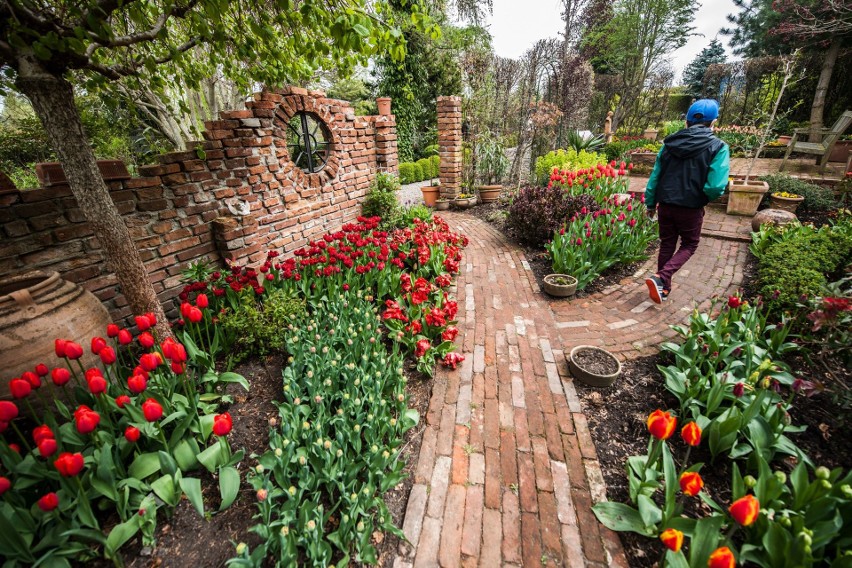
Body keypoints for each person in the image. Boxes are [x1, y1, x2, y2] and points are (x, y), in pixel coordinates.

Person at [643, 99, 730, 304]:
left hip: (666, 205)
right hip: (690, 208)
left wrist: (649, 203)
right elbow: (716, 186)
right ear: (713, 122)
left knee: (667, 244)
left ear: (686, 122)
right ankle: (661, 278)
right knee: (690, 244)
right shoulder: (718, 147)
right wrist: (702, 197)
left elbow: (655, 176)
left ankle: (663, 288)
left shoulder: (668, 145)